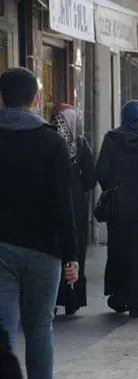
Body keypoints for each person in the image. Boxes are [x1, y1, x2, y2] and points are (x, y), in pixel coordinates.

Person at [0, 67, 78, 379]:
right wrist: (71, 254)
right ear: (35, 99)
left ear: (2, 99)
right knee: (40, 330)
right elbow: (63, 203)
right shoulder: (52, 142)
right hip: (46, 250)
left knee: (3, 330)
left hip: (2, 250)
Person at [96, 100, 138, 318]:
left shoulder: (112, 138)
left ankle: (119, 295)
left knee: (119, 251)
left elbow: (101, 172)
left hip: (119, 207)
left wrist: (113, 189)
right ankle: (137, 301)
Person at [52, 104, 96, 316]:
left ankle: (53, 296)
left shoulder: (50, 140)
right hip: (77, 201)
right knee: (76, 247)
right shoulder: (80, 143)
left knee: (54, 246)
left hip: (51, 198)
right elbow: (90, 178)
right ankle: (73, 298)